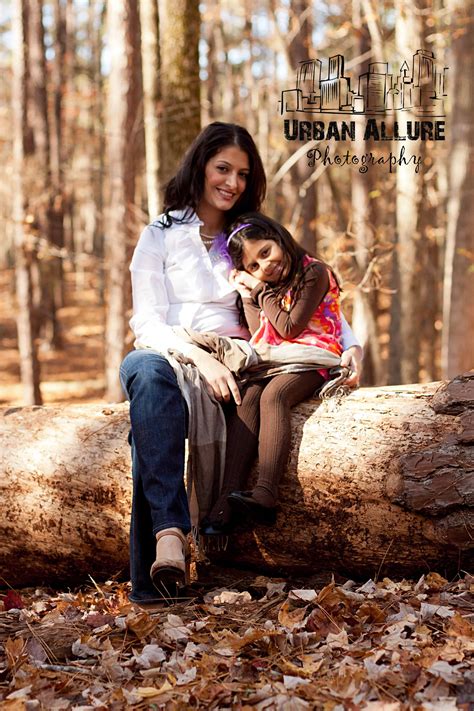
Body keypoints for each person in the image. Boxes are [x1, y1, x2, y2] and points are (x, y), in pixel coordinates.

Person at [119, 121, 362, 603]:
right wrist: (198, 360)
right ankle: (170, 533)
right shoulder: (161, 234)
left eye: (243, 174)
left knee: (152, 425)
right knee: (145, 373)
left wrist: (350, 344)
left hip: (244, 359)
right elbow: (145, 321)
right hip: (169, 350)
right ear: (200, 167)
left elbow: (309, 287)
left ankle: (158, 577)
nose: (232, 182)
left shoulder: (252, 237)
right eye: (223, 168)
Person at [201, 212, 346, 534]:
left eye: (265, 253)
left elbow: (290, 327)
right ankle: (226, 501)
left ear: (279, 238)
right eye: (253, 266)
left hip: (315, 357)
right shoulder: (267, 286)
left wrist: (259, 290)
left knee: (275, 395)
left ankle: (266, 493)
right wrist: (247, 295)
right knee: (248, 397)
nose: (264, 266)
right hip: (278, 359)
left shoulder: (314, 271)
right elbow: (260, 334)